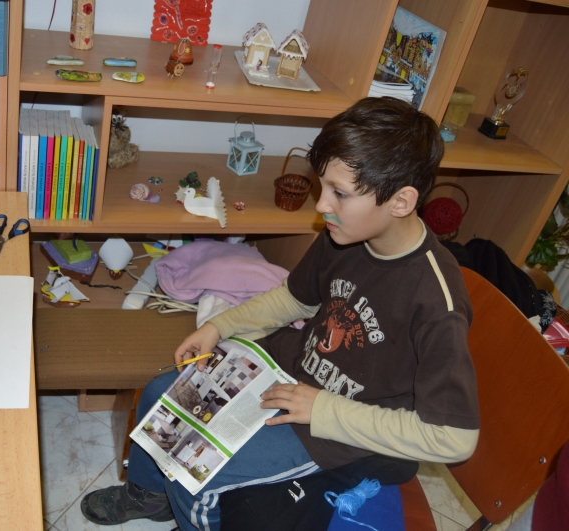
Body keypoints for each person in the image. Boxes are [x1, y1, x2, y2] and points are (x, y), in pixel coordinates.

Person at [80, 96, 480, 530]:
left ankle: (186, 512)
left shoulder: (436, 301)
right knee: (162, 396)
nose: (321, 205)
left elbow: (455, 438)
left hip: (335, 428)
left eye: (339, 193)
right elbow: (293, 299)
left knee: (196, 473)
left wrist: (324, 409)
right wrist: (219, 325)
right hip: (285, 370)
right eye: (322, 187)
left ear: (400, 202)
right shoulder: (345, 232)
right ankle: (148, 497)